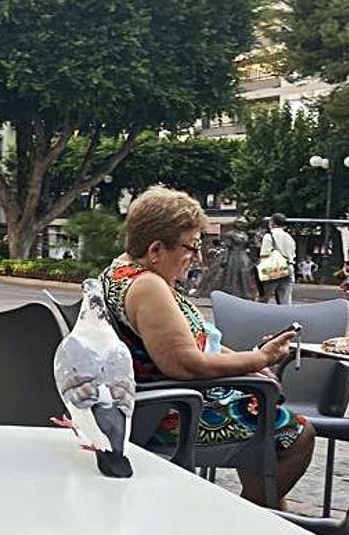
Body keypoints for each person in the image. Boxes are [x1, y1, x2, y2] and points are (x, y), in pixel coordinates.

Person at [100, 186, 313, 507]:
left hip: (154, 405)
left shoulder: (120, 270)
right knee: (297, 435)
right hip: (172, 416)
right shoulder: (148, 287)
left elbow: (191, 341)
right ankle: (248, 518)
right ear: (156, 248)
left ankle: (268, 509)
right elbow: (184, 363)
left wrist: (253, 361)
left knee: (262, 417)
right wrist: (260, 358)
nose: (197, 258)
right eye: (192, 247)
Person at [260, 213, 296, 305]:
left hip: (273, 268)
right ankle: (285, 317)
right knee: (285, 299)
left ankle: (261, 316)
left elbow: (264, 255)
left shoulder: (269, 236)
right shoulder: (289, 237)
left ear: (272, 223)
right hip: (288, 267)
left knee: (264, 297)